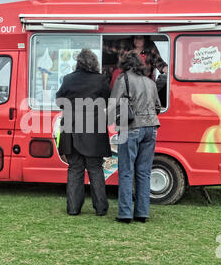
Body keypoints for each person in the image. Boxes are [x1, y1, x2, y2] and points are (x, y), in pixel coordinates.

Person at [56, 49, 111, 216]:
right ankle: (101, 208)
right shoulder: (100, 80)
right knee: (95, 169)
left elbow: (59, 101)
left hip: (71, 131)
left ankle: (73, 208)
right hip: (94, 131)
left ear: (78, 62)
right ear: (94, 63)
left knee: (75, 169)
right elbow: (108, 100)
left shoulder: (68, 79)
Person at [109, 51, 161, 224]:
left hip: (130, 127)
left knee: (126, 171)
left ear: (125, 64)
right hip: (152, 128)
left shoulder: (122, 79)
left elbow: (113, 103)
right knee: (144, 172)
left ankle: (125, 213)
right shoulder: (150, 82)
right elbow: (157, 107)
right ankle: (142, 213)